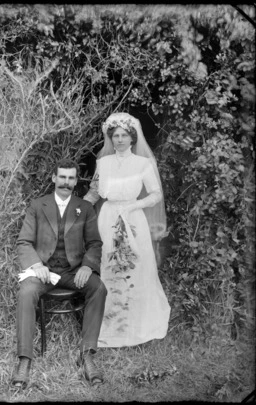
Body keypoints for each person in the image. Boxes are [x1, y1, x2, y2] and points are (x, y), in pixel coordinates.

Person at [12, 159, 107, 388]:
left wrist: (87, 266)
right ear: (54, 178)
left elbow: (94, 243)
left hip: (73, 271)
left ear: (76, 181)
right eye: (62, 177)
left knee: (99, 288)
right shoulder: (38, 205)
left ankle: (87, 355)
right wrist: (36, 265)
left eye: (71, 178)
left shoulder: (84, 208)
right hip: (44, 272)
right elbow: (23, 242)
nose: (66, 182)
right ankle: (24, 360)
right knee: (26, 293)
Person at [83, 112, 171, 347]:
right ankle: (110, 322)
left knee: (136, 266)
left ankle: (137, 323)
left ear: (132, 138)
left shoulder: (143, 164)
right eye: (115, 136)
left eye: (124, 135)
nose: (119, 140)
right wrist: (78, 209)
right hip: (108, 218)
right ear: (110, 138)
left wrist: (134, 205)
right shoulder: (103, 163)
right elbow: (94, 191)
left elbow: (155, 194)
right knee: (109, 266)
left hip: (134, 219)